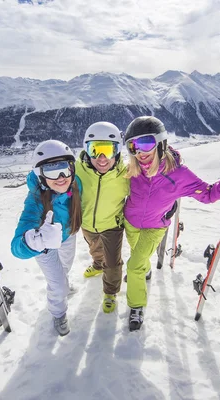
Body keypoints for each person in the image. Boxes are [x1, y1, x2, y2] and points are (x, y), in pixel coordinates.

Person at [122, 116, 220, 331]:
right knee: (138, 257)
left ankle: (136, 306)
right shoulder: (132, 169)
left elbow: (209, 194)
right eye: (133, 146)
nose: (139, 152)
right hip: (130, 223)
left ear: (161, 143)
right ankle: (144, 270)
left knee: (133, 265)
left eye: (145, 143)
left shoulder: (178, 175)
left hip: (154, 227)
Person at [11, 140, 82, 336]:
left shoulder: (76, 185)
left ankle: (63, 286)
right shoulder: (35, 200)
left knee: (65, 268)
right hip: (44, 246)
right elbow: (16, 246)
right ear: (40, 175)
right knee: (57, 283)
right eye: (51, 171)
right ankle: (58, 313)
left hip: (68, 236)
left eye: (65, 169)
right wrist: (35, 242)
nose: (61, 178)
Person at [76, 122, 129, 313]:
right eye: (95, 149)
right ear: (86, 149)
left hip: (112, 225)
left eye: (108, 150)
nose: (102, 158)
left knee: (113, 262)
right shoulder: (77, 169)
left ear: (117, 151)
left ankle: (110, 291)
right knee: (94, 248)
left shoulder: (125, 174)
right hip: (88, 223)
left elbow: (146, 189)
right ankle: (98, 265)